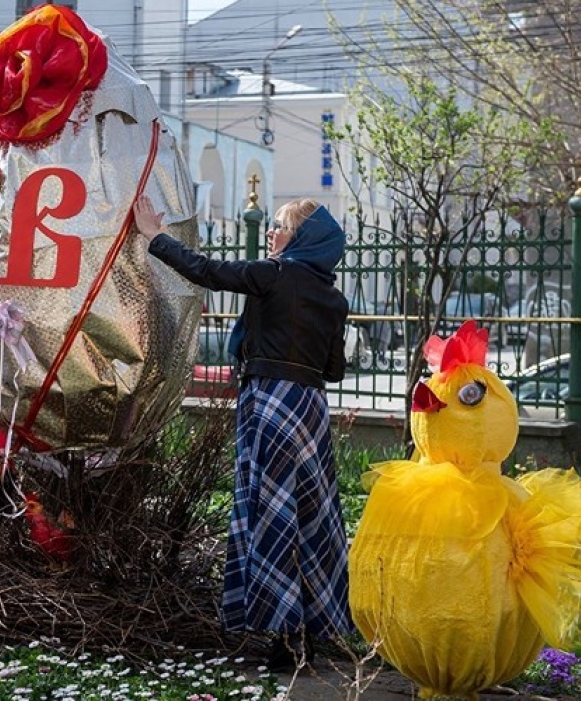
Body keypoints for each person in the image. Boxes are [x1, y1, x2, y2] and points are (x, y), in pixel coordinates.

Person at [133, 195, 351, 671]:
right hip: (310, 409)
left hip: (271, 402)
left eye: (280, 228)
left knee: (271, 514)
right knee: (310, 517)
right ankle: (309, 633)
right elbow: (334, 369)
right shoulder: (334, 297)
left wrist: (154, 236)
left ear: (302, 238)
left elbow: (208, 271)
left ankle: (282, 637)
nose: (272, 235)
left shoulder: (275, 275)